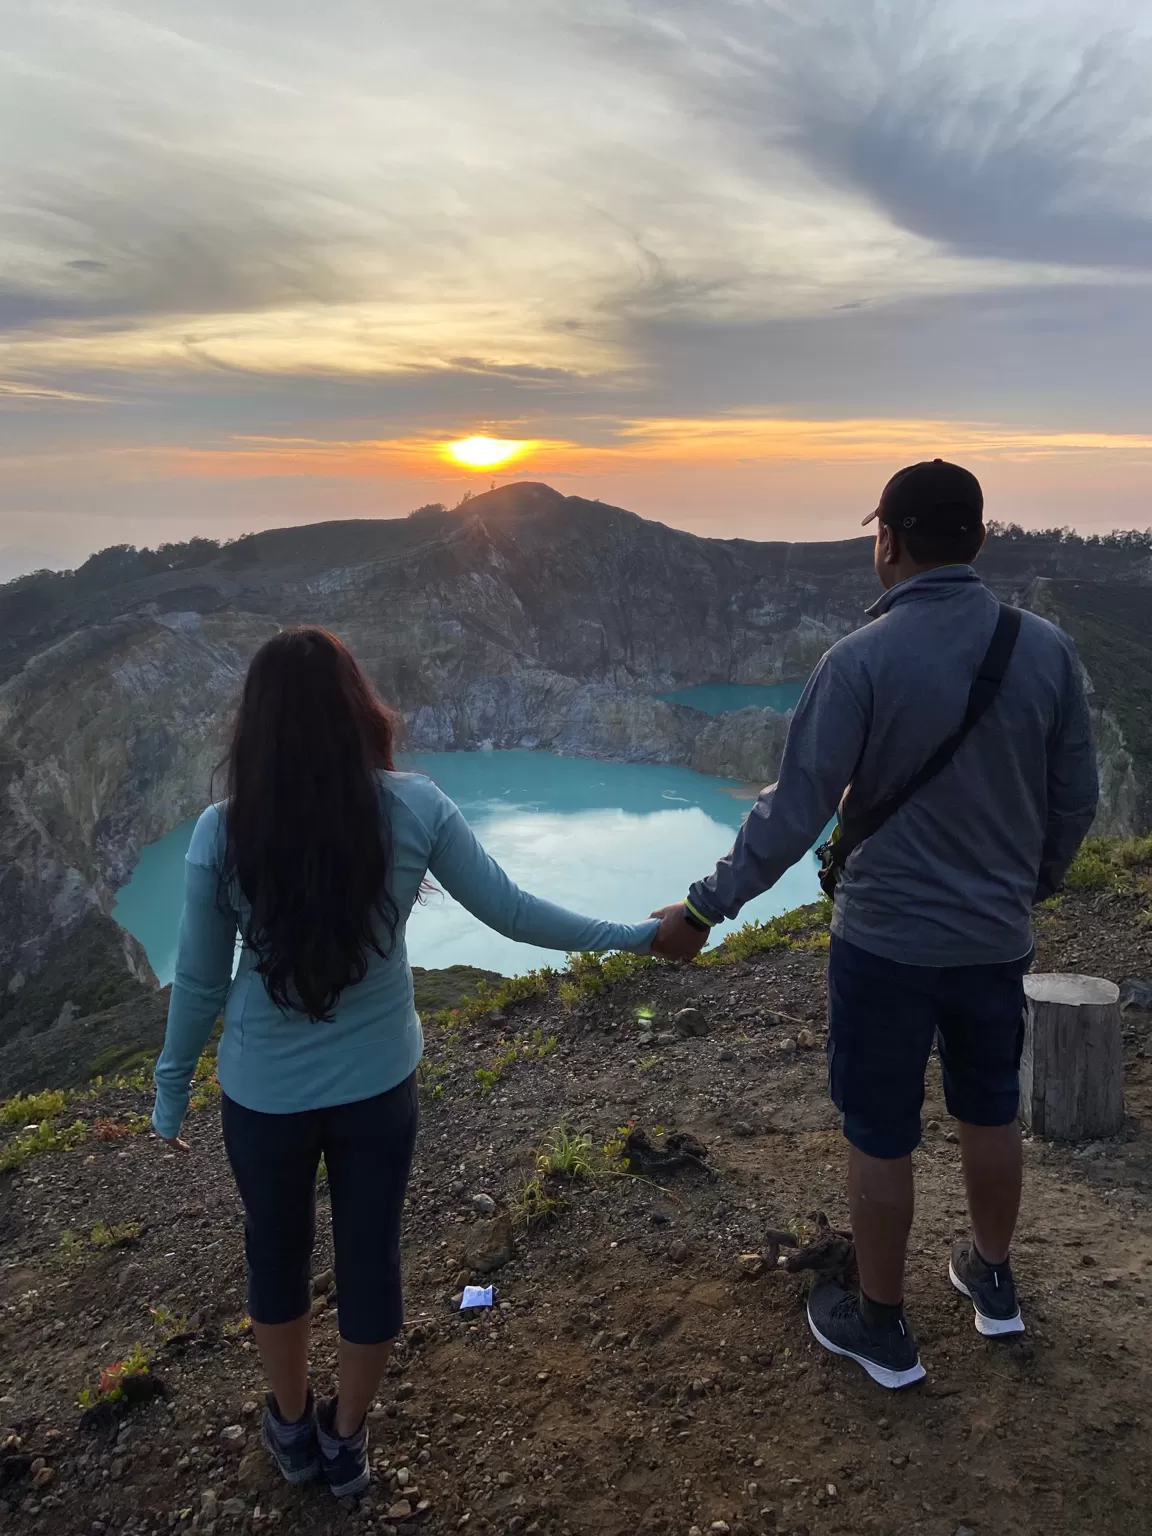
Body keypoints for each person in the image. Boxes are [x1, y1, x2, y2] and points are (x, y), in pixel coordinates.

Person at [151, 628, 660, 1496]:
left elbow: (199, 985)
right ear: (360, 710)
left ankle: (289, 1426)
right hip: (378, 1086)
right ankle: (345, 1439)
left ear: (256, 729)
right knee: (370, 1257)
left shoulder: (221, 832)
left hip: (261, 1095)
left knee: (273, 1254)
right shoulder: (414, 807)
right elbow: (512, 912)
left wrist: (169, 1093)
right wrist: (639, 937)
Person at [650, 460, 1098, 1389]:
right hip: (994, 938)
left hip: (884, 944)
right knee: (990, 1107)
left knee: (880, 1128)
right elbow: (1075, 801)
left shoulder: (858, 661)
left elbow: (793, 810)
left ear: (887, 541)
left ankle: (883, 1324)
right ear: (977, 538)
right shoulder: (1046, 651)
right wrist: (1029, 884)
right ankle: (993, 1280)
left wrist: (704, 907)